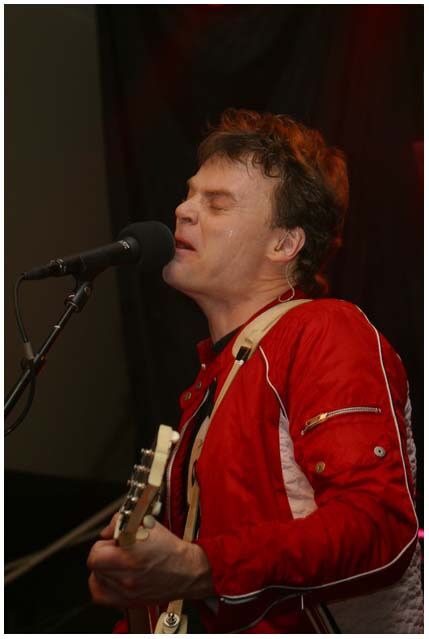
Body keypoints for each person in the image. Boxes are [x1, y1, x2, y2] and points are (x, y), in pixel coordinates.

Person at [87, 109, 423, 633]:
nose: (183, 210)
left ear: (284, 244)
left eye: (216, 203)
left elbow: (379, 526)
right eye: (190, 194)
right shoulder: (220, 371)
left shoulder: (325, 330)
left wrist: (199, 566)